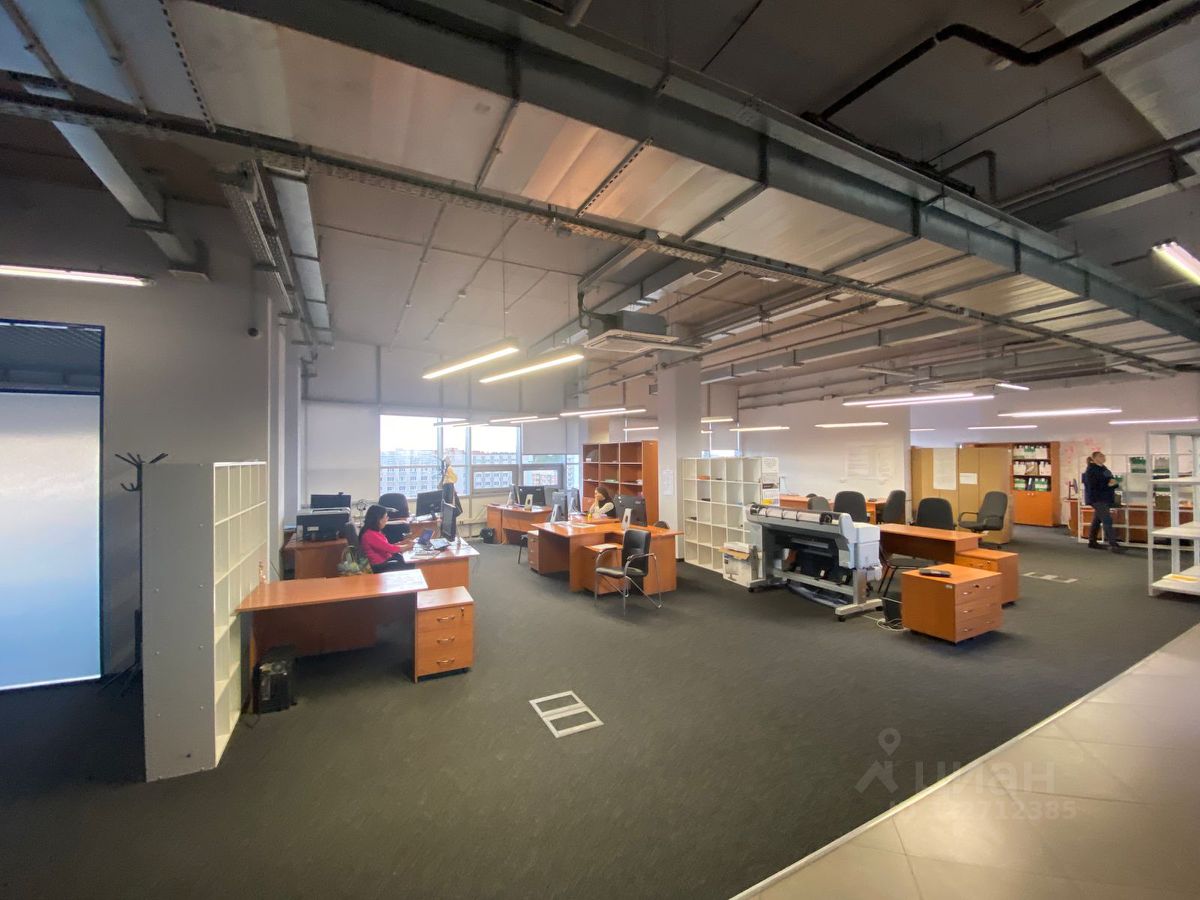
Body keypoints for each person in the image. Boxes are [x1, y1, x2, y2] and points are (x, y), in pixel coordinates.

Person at [1082, 451, 1123, 553]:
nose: (1103, 457)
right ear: (1095, 458)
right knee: (1107, 520)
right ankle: (1113, 544)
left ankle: (1092, 541)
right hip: (1097, 499)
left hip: (1105, 498)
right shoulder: (1091, 470)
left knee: (1097, 520)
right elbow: (1093, 486)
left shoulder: (1104, 469)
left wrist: (1112, 484)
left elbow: (1114, 481)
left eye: (1103, 456)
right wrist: (1108, 485)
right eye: (1101, 456)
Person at [359, 504, 414, 572]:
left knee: (404, 558)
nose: (387, 519)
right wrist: (409, 546)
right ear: (379, 520)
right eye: (386, 517)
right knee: (411, 563)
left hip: (385, 561)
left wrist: (402, 543)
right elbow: (391, 549)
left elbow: (386, 547)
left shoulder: (373, 531)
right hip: (380, 566)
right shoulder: (369, 535)